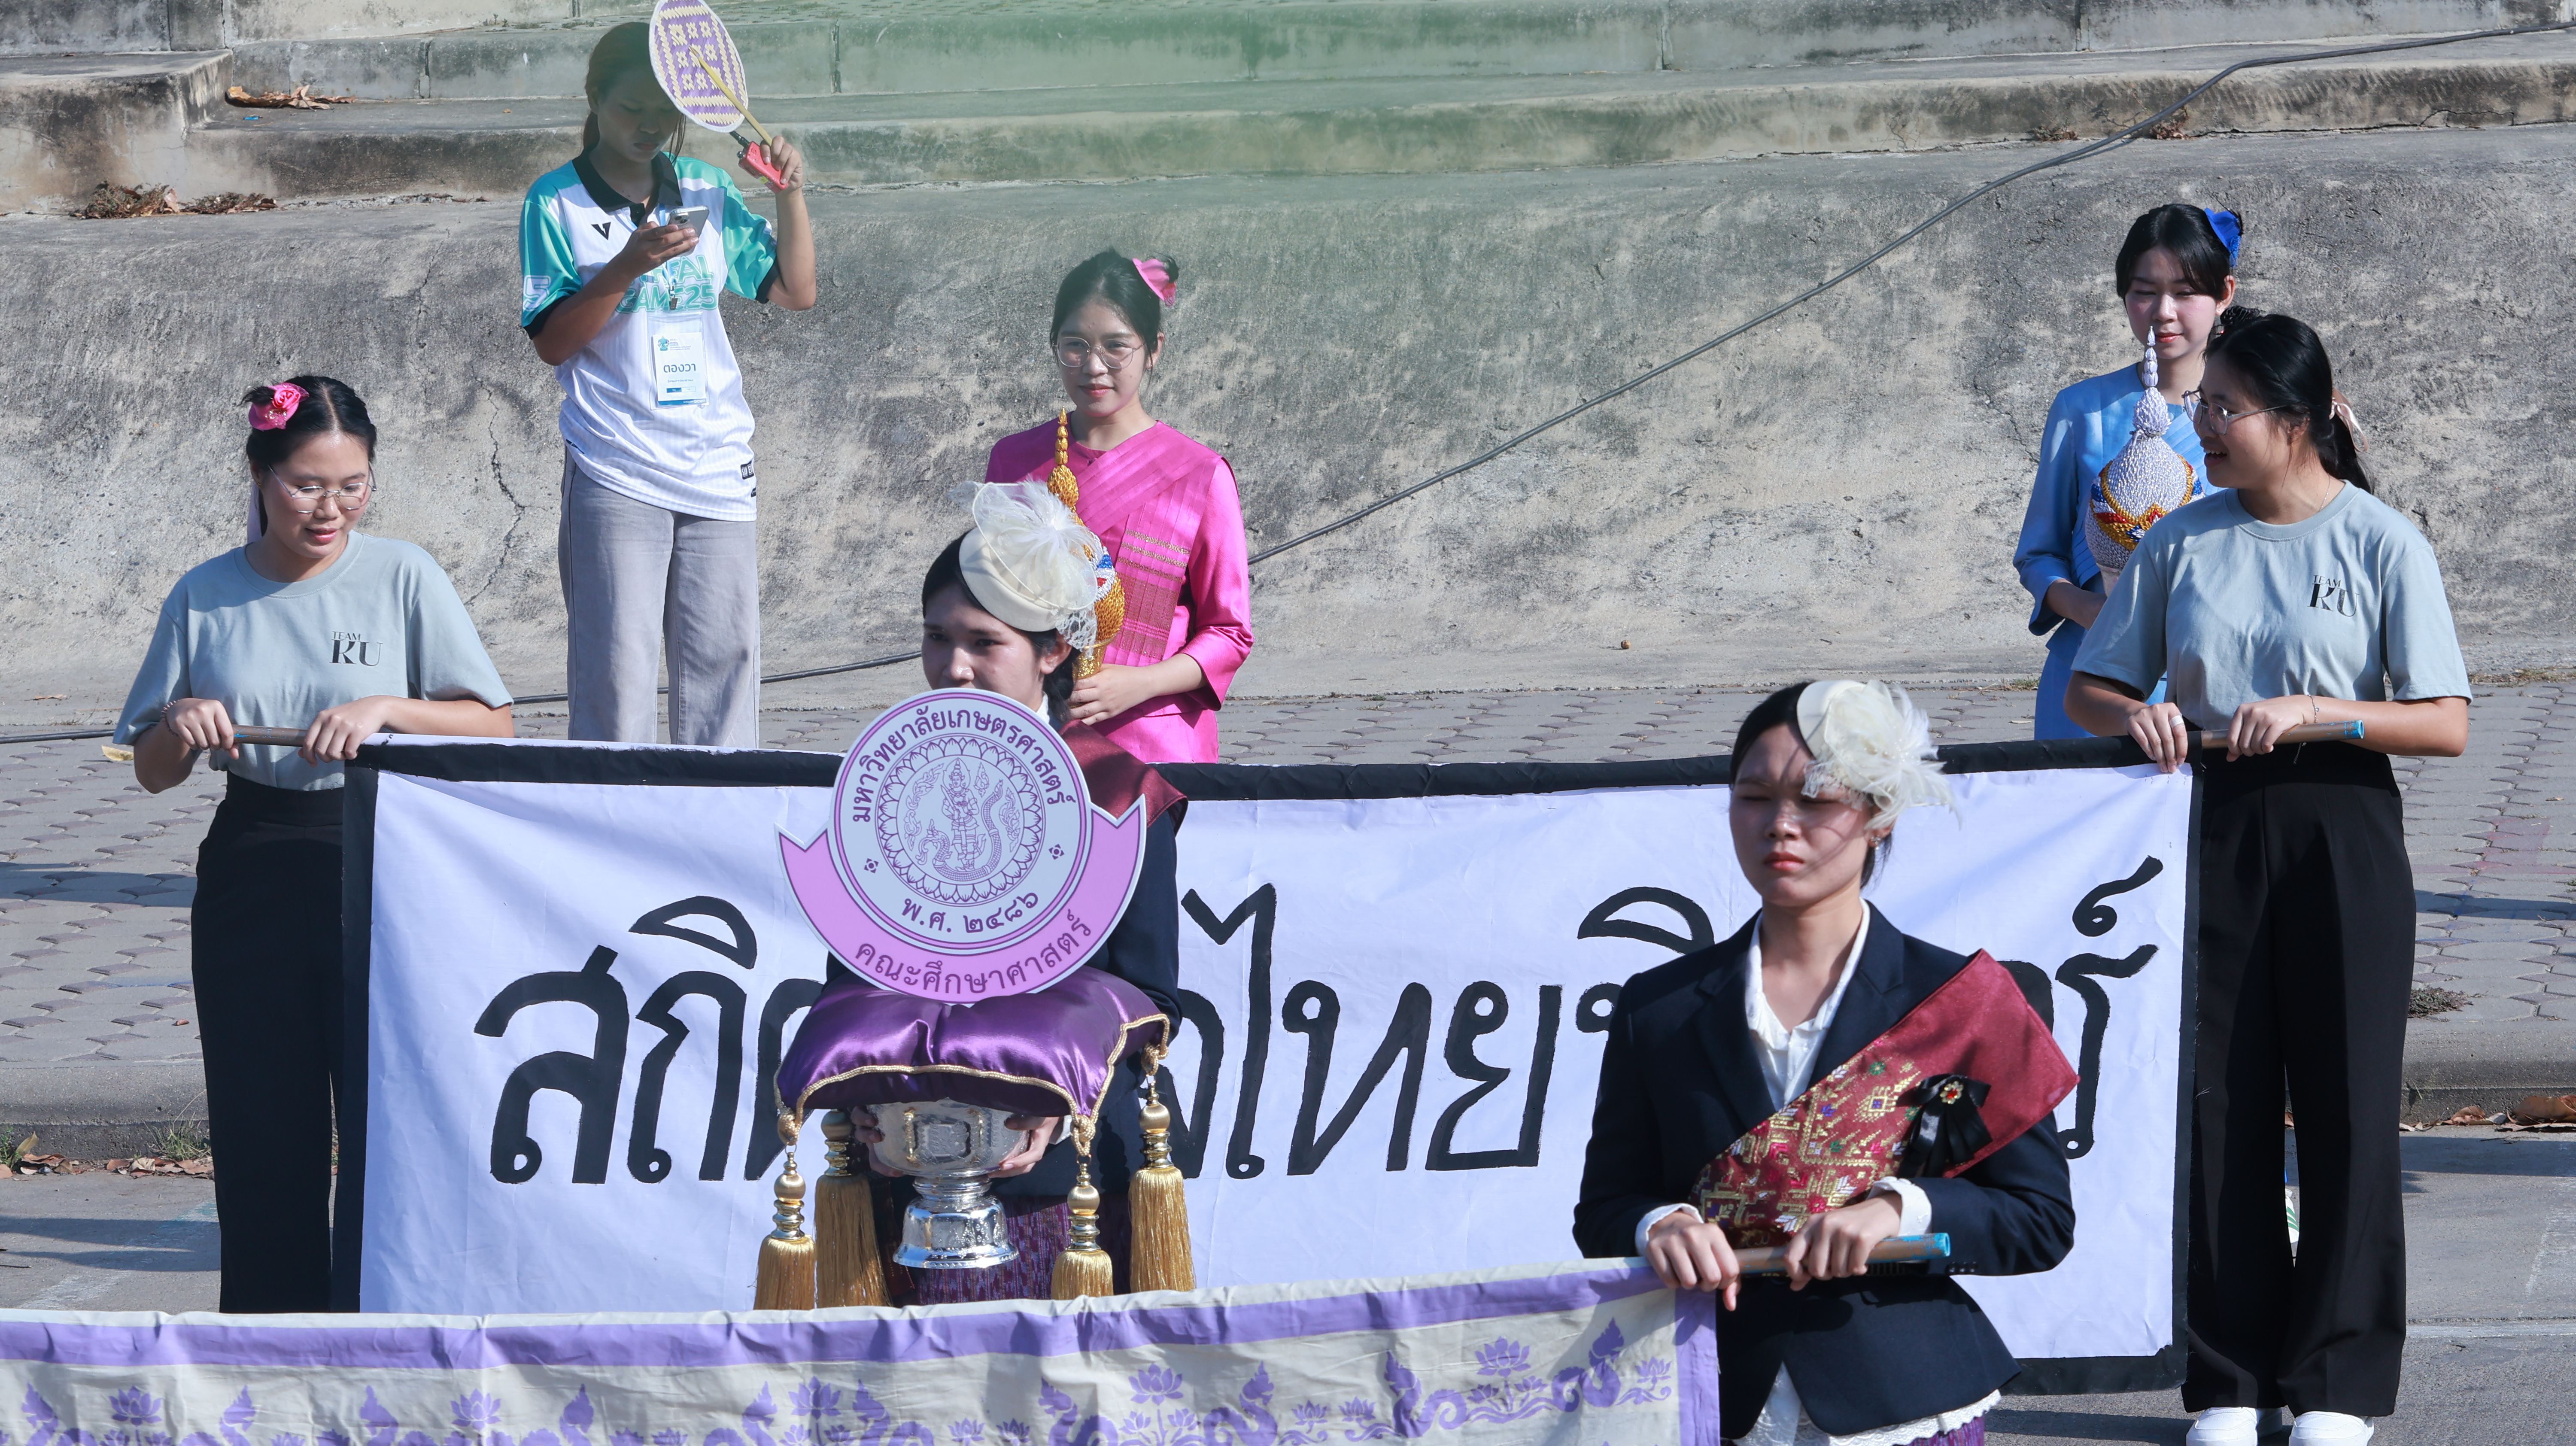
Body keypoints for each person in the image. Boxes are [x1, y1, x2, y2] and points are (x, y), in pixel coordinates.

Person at [2066, 315, 2470, 1446]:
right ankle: (2228, 1380)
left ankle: (2338, 1379)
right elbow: (2096, 687)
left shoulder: (2383, 542)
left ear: (2296, 421)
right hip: (2211, 822)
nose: (2205, 426)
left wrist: (2320, 712)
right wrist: (2136, 716)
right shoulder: (2181, 541)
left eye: (2226, 408)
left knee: (2348, 1100)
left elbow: (2445, 722)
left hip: (2343, 824)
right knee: (2218, 1104)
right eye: (2204, 405)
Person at [1576, 680, 2076, 1446]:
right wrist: (1658, 1224)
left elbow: (2038, 1220)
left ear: (1881, 814)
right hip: (1711, 1393)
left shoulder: (1960, 1000)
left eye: (1817, 800)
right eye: (1754, 797)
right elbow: (1606, 1206)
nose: (1780, 824)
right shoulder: (1660, 1007)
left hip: (1905, 1400)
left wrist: (1900, 1210)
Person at [113, 377, 515, 1311]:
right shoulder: (205, 593)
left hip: (381, 857)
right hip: (253, 860)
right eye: (306, 485)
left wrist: (389, 711)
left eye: (352, 486)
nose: (330, 509)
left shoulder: (405, 575)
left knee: (391, 1115)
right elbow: (153, 772)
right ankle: (269, 1340)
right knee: (262, 1123)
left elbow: (493, 723)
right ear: (260, 476)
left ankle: (392, 1331)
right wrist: (180, 719)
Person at [845, 482, 1185, 1301]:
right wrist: (861, 1087)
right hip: (902, 1160)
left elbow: (1151, 993)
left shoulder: (1116, 793)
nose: (953, 666)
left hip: (1067, 1174)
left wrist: (1055, 1095)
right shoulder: (884, 782)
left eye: (983, 642)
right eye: (936, 638)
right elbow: (854, 968)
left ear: (1053, 651)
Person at [519, 21, 817, 747]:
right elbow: (553, 343)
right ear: (594, 98)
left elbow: (795, 291)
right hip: (616, 462)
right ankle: (612, 815)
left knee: (725, 671)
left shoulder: (708, 188)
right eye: (631, 108)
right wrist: (625, 267)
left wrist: (790, 195)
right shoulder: (555, 201)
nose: (649, 126)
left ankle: (718, 815)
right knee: (616, 677)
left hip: (716, 460)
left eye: (664, 112)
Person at [983, 249, 1253, 764]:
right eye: (1075, 345)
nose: (1094, 366)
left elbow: (1229, 631)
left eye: (1116, 346)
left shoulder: (1202, 475)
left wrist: (1140, 683)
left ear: (1154, 350)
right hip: (1035, 738)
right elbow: (988, 603)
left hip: (1156, 743)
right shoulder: (1014, 461)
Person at [2014, 204, 2242, 739]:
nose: (2164, 312)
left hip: (2209, 686)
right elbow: (2038, 553)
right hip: (2089, 683)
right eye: (2144, 292)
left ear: (2224, 294)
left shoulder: (2249, 420)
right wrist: (2092, 610)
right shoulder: (2082, 410)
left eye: (2185, 292)